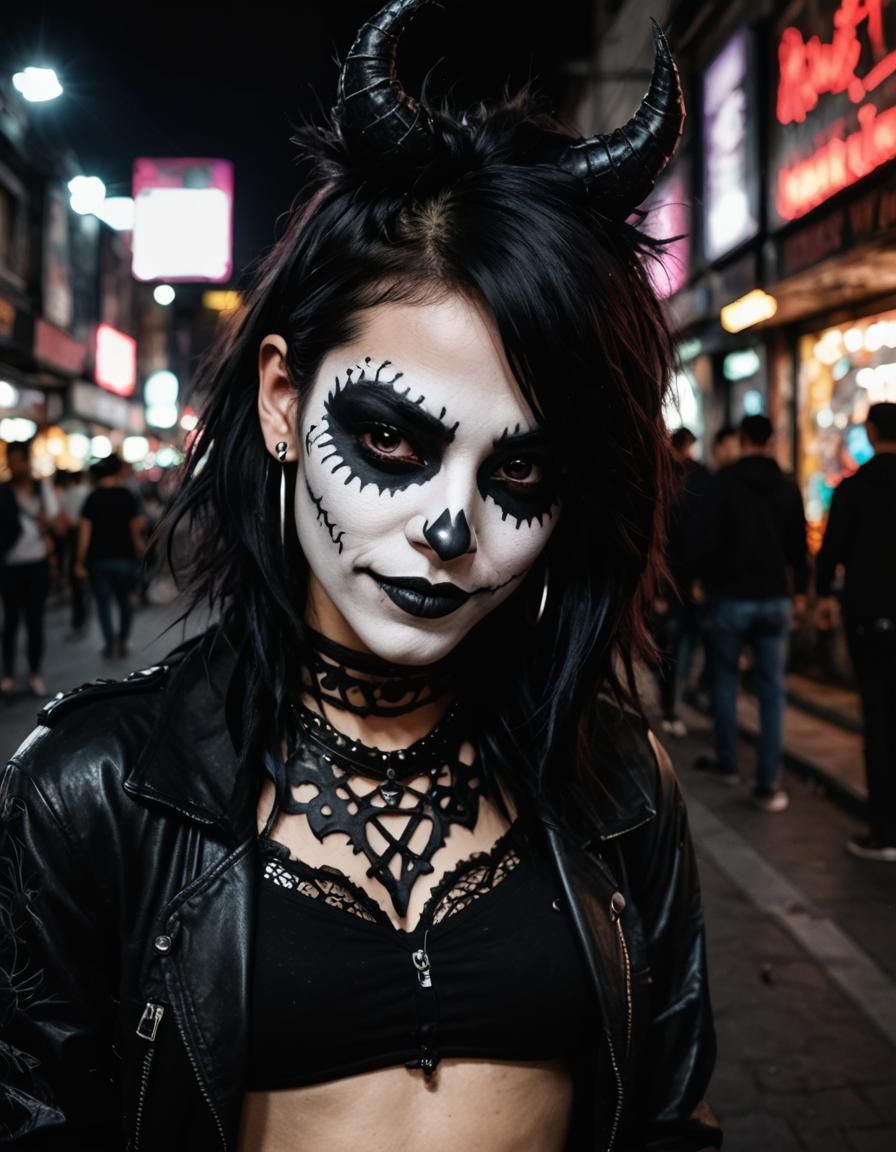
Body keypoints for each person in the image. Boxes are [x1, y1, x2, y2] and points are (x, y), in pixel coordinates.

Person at [0, 7, 721, 1150]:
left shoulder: (617, 782)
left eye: (521, 467)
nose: (450, 525)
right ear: (284, 401)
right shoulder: (91, 793)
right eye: (393, 439)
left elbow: (668, 1118)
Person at [697, 414, 808, 812]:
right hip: (776, 598)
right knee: (772, 691)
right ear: (771, 440)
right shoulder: (787, 486)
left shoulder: (723, 484)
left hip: (732, 598)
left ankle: (728, 763)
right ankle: (768, 781)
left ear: (742, 440)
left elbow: (708, 543)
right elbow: (798, 546)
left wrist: (706, 584)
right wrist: (802, 595)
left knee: (726, 683)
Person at [816, 402, 896, 861]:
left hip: (867, 616)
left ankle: (882, 830)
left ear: (871, 431)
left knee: (877, 717)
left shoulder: (855, 488)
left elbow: (831, 553)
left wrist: (824, 592)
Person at [651, 426, 710, 736]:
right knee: (675, 642)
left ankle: (670, 703)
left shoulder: (667, 478)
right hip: (681, 576)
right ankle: (672, 702)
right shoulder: (689, 478)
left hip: (671, 575)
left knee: (669, 643)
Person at [0, 440, 60, 697]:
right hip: (9, 564)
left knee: (34, 620)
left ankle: (35, 673)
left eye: (19, 460)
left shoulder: (40, 487)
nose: (15, 465)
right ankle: (9, 675)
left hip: (36, 563)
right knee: (11, 622)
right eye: (10, 460)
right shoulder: (3, 491)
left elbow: (54, 518)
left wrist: (45, 524)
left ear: (26, 461)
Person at [74, 453, 145, 659]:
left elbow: (84, 532)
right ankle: (123, 641)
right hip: (124, 557)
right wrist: (141, 549)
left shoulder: (93, 497)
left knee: (103, 603)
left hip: (98, 559)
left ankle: (110, 644)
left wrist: (79, 561)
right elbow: (135, 529)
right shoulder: (127, 495)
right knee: (125, 601)